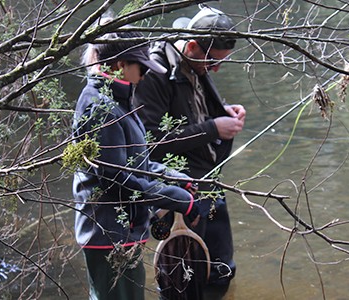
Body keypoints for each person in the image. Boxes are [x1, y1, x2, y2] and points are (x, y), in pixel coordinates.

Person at [72, 21, 199, 300]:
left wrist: (179, 181)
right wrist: (179, 200)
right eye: (140, 67)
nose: (143, 76)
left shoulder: (120, 102)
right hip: (107, 236)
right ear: (119, 64)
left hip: (125, 233)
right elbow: (118, 179)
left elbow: (136, 165)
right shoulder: (100, 108)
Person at [134, 5, 246, 299]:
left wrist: (225, 114)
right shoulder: (155, 73)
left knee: (221, 269)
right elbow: (150, 142)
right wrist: (213, 128)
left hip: (209, 184)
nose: (216, 69)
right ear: (193, 45)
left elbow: (199, 113)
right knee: (180, 280)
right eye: (212, 63)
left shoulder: (195, 62)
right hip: (178, 190)